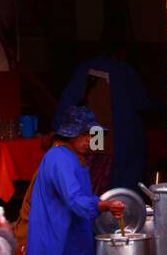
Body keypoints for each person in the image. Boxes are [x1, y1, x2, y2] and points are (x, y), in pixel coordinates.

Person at [22, 107, 126, 255]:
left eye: (92, 135)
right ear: (70, 134)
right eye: (85, 135)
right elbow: (75, 200)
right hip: (56, 242)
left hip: (72, 241)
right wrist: (104, 206)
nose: (90, 140)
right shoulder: (59, 158)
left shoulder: (75, 158)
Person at [52, 37, 152, 192]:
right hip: (123, 134)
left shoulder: (87, 68)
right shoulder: (124, 70)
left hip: (96, 131)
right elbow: (143, 103)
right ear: (121, 52)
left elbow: (68, 100)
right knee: (120, 181)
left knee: (94, 172)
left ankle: (93, 208)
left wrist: (56, 128)